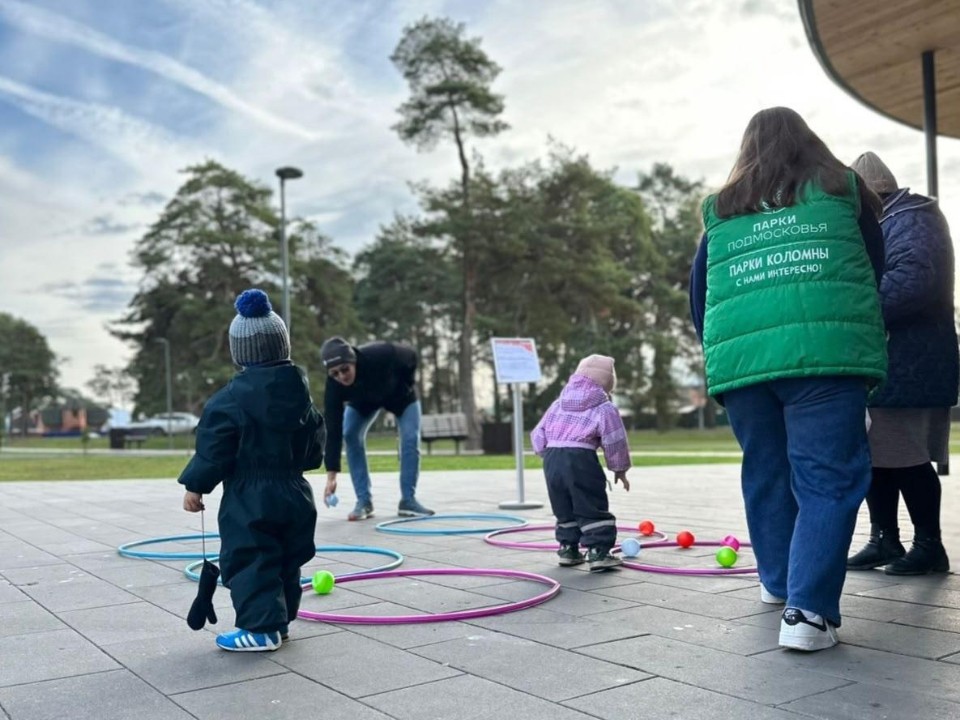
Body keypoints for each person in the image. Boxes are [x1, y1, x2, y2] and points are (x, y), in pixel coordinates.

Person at [689, 107, 888, 652]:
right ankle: (807, 613)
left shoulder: (722, 210)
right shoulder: (843, 191)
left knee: (766, 471)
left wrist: (732, 351)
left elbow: (699, 294)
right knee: (827, 479)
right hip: (828, 355)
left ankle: (777, 583)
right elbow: (872, 266)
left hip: (743, 365)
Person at [180, 289, 324, 652]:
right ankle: (280, 622)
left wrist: (196, 485)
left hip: (250, 494)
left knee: (252, 557)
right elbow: (314, 448)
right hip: (295, 491)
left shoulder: (228, 400)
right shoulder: (302, 396)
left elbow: (213, 447)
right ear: (282, 346)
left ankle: (261, 629)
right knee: (287, 558)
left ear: (240, 353)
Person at [846, 152, 958, 576]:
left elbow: (913, 282)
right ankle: (884, 539)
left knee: (907, 455)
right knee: (876, 454)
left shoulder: (913, 219)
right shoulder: (888, 221)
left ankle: (929, 545)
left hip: (910, 362)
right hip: (887, 362)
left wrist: (851, 306)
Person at [530, 354, 631, 573]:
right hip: (580, 458)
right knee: (589, 502)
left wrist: (545, 453)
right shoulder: (604, 407)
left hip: (552, 458)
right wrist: (619, 468)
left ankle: (568, 549)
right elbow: (615, 440)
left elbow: (538, 432)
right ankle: (598, 552)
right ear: (607, 382)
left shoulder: (558, 404)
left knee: (563, 504)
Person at [320, 336, 433, 520]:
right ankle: (364, 501)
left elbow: (411, 356)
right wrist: (331, 476)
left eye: (345, 369)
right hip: (364, 402)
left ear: (353, 361)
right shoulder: (334, 386)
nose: (341, 376)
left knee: (410, 438)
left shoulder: (380, 354)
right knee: (350, 434)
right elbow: (333, 430)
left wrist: (408, 384)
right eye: (334, 373)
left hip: (401, 396)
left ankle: (408, 500)